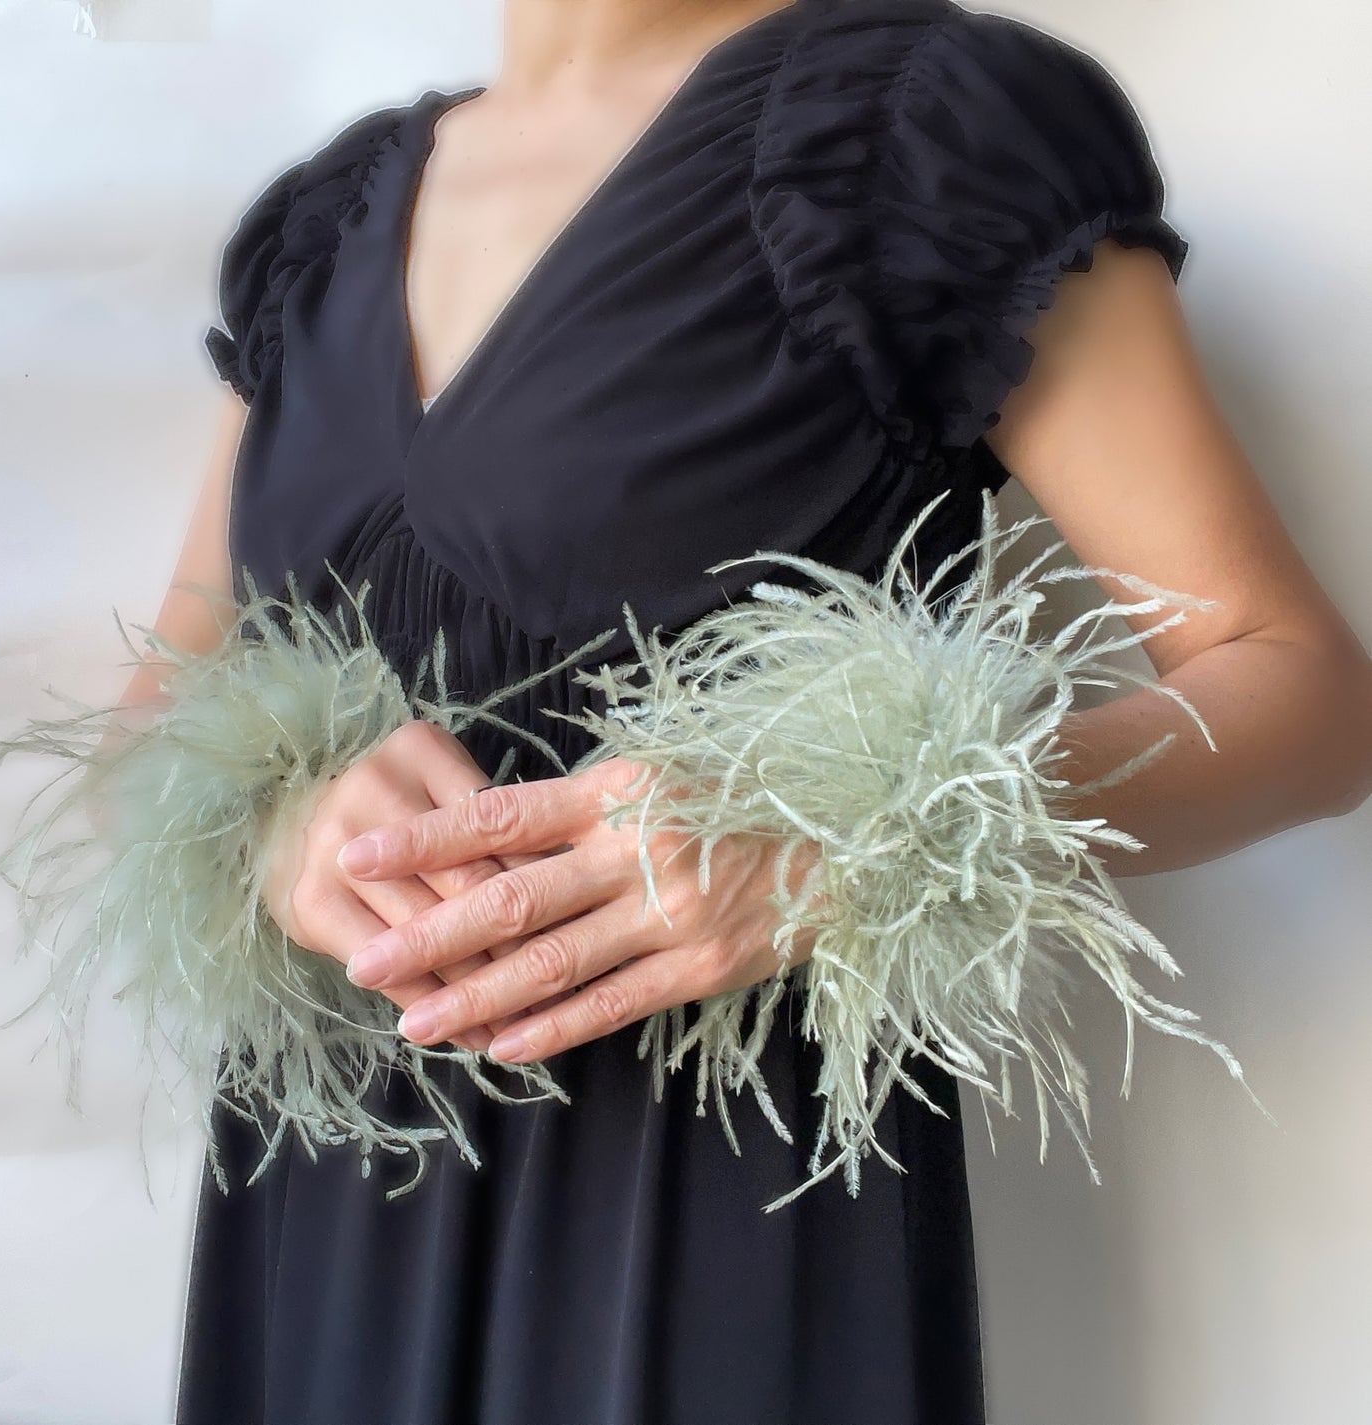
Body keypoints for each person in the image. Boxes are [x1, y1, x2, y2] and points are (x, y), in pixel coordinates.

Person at [119, 1, 1372, 1421]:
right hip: (331, 1186)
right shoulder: (323, 222)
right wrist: (270, 819)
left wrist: (847, 838)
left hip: (712, 1201)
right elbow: (160, 702)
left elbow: (1302, 688)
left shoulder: (918, 130)